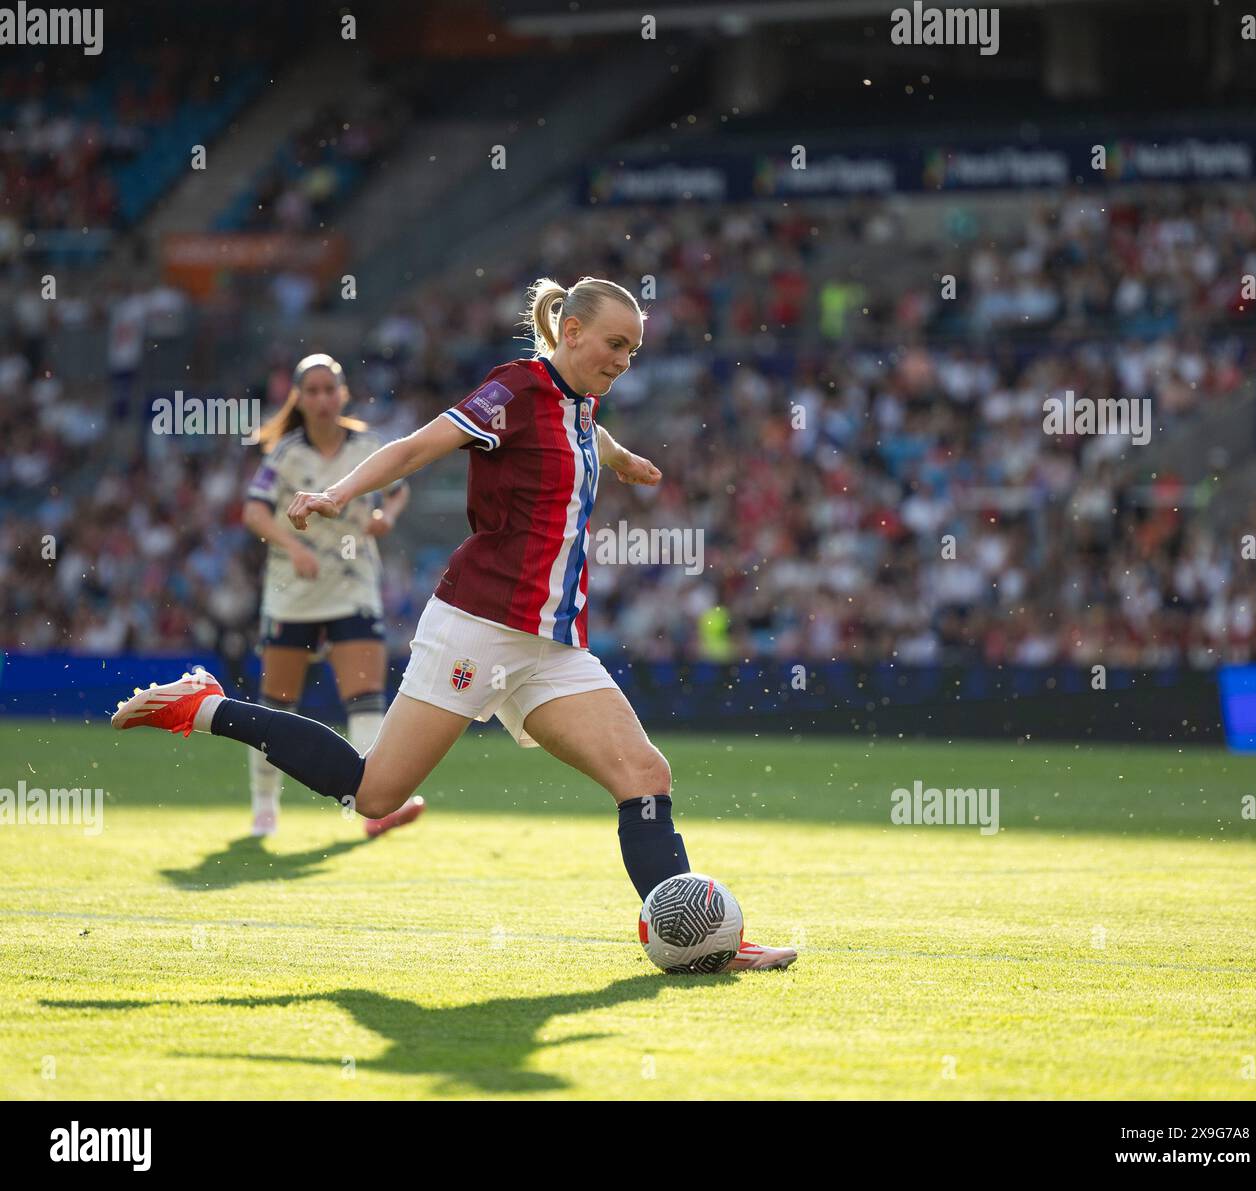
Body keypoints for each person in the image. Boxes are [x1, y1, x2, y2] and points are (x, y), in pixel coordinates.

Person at [112, 277, 796, 971]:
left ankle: (704, 942)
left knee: (645, 773)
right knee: (376, 789)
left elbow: (587, 428)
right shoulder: (513, 390)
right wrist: (336, 493)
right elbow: (416, 447)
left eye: (634, 350)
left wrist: (620, 459)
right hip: (480, 624)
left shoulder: (581, 403)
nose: (624, 360)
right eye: (615, 344)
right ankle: (205, 706)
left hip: (553, 643)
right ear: (573, 332)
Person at [241, 353, 419, 838]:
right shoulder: (284, 454)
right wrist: (294, 547)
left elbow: (398, 487)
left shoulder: (368, 445)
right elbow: (254, 514)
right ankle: (264, 806)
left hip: (352, 584)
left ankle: (373, 810)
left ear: (343, 394)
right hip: (292, 593)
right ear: (299, 398)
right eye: (312, 391)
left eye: (329, 389)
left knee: (364, 698)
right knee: (277, 704)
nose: (321, 399)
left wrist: (389, 516)